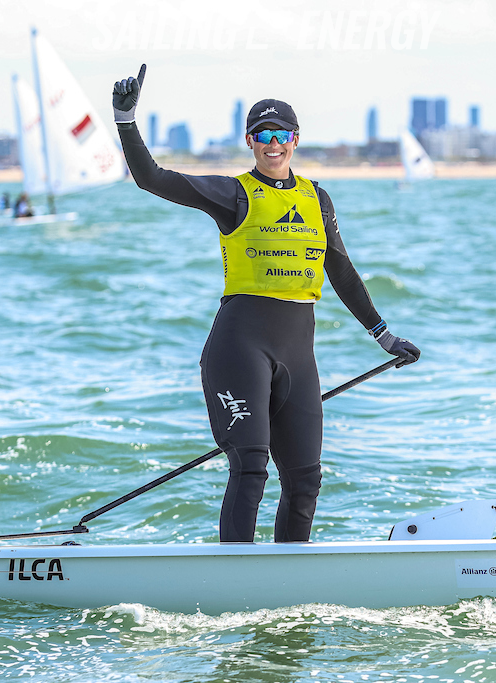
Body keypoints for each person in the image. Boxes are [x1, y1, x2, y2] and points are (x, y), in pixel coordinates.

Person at [112, 65, 420, 543]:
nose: (272, 143)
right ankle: (236, 576)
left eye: (282, 134)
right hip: (241, 348)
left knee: (305, 481)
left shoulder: (317, 199)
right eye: (262, 134)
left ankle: (286, 582)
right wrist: (126, 122)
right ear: (250, 141)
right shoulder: (233, 194)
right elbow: (152, 178)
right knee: (251, 467)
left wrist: (384, 335)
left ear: (295, 140)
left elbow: (340, 269)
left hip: (299, 354)